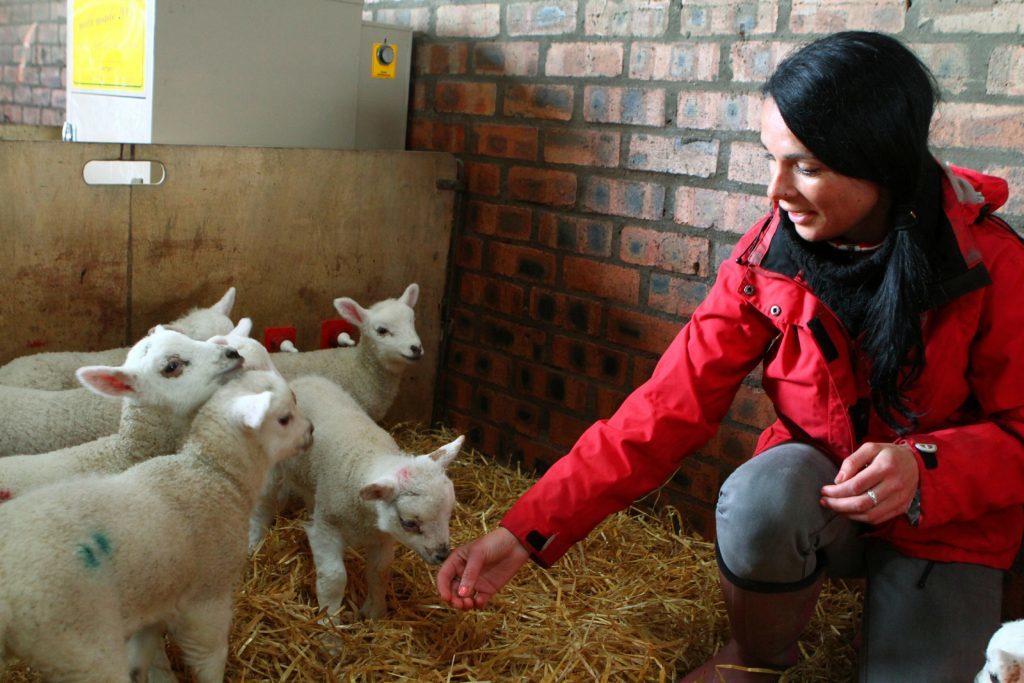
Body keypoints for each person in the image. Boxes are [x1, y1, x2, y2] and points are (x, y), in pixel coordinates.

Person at [435, 30, 1024, 682]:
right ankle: (759, 656)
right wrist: (524, 532)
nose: (776, 190)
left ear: (880, 162)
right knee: (758, 499)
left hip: (946, 520)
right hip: (822, 493)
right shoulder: (769, 256)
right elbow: (665, 407)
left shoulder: (991, 265)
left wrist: (924, 468)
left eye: (807, 166)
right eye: (771, 158)